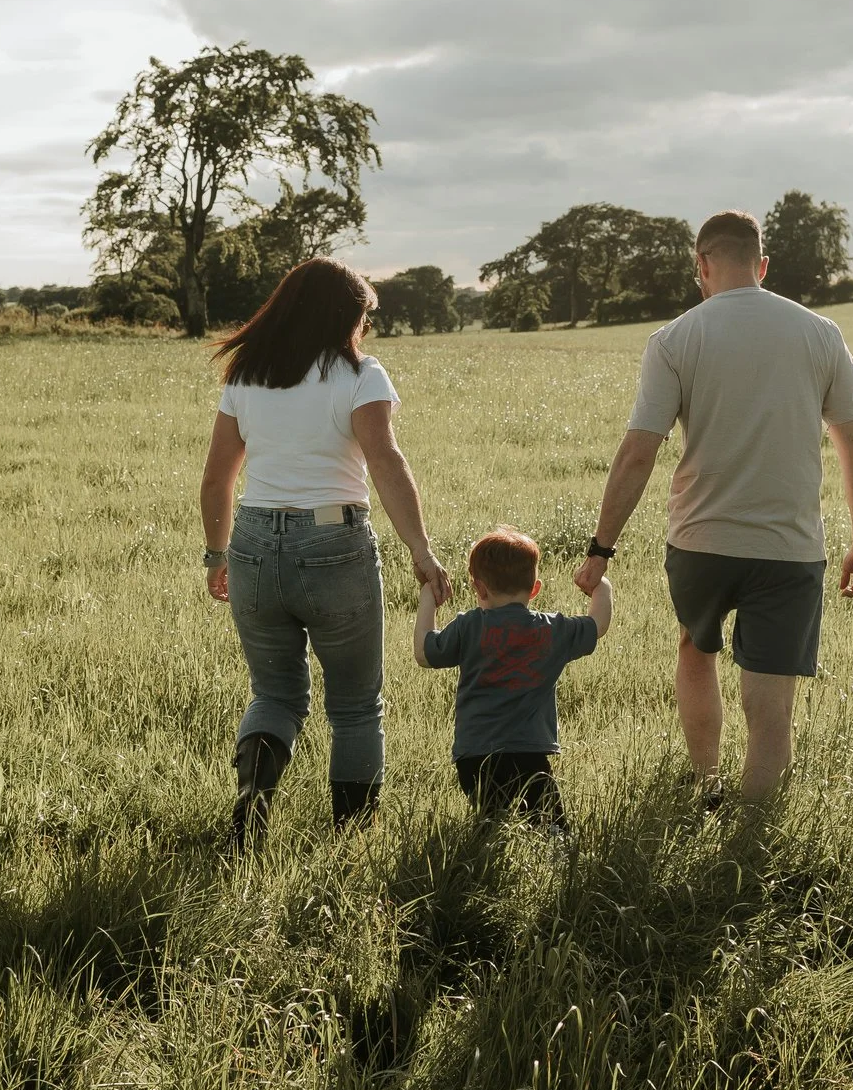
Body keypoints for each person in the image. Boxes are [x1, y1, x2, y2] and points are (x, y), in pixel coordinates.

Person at [573, 210, 853, 804]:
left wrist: (600, 550)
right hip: (789, 549)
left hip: (700, 541)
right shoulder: (820, 333)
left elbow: (638, 453)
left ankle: (706, 783)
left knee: (696, 647)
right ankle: (752, 829)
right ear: (762, 266)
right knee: (772, 700)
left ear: (702, 266)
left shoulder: (675, 338)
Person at [200, 258, 450, 850]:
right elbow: (386, 462)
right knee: (357, 704)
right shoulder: (361, 376)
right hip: (335, 544)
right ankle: (352, 839)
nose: (363, 331)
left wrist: (217, 556)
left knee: (274, 694)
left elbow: (216, 480)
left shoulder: (246, 375)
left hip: (254, 545)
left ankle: (253, 803)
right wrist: (421, 548)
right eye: (362, 318)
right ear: (343, 318)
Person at [416, 526, 612, 830]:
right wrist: (601, 588)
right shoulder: (551, 630)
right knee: (551, 828)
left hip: (474, 756)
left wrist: (427, 598)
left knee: (491, 825)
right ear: (535, 589)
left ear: (478, 588)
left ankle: (476, 866)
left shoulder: (468, 626)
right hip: (529, 755)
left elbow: (424, 654)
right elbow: (597, 625)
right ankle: (555, 865)